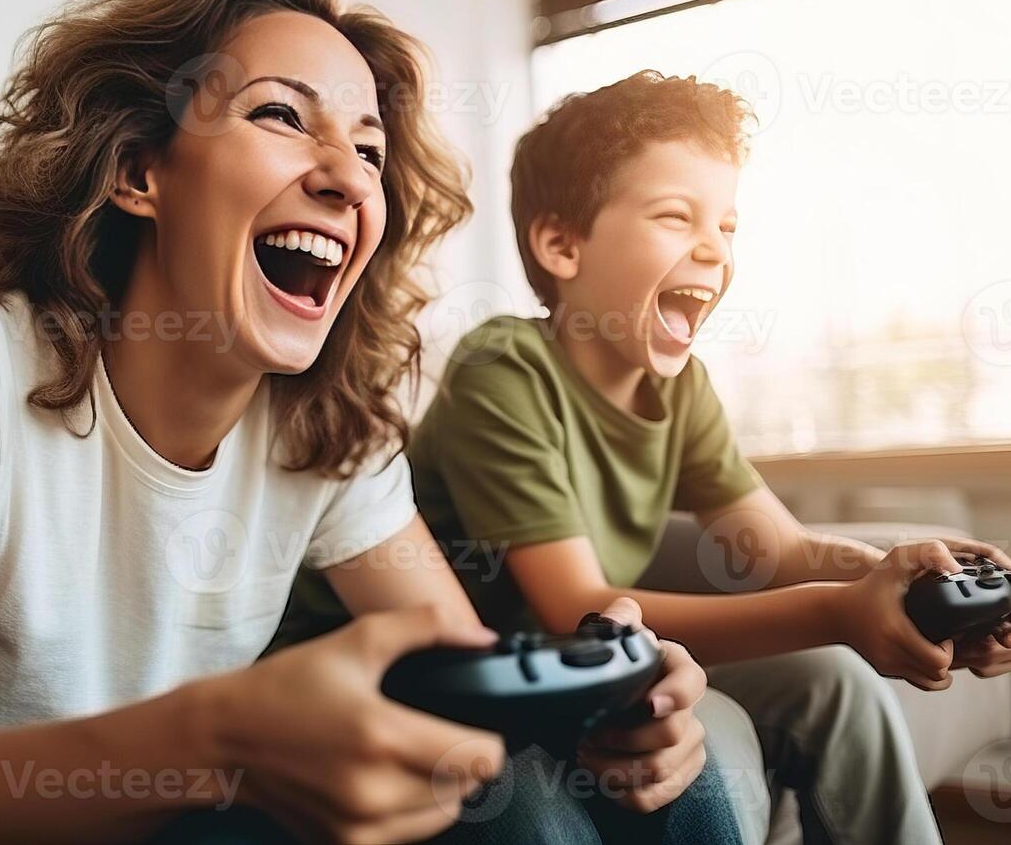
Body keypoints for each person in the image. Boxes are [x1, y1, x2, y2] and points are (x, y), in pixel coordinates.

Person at [0, 0, 737, 845]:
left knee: (631, 779)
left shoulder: (330, 421)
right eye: (281, 117)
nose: (347, 175)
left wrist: (603, 702)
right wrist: (216, 738)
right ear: (140, 171)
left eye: (371, 149)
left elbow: (464, 670)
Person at [275, 70, 1011, 844]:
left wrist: (901, 575)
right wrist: (837, 609)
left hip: (587, 661)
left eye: (727, 225)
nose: (713, 248)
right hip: (457, 672)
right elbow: (573, 607)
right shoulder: (503, 370)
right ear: (562, 244)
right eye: (675, 216)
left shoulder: (682, 386)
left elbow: (777, 548)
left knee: (835, 680)